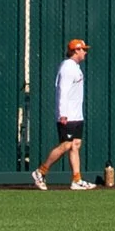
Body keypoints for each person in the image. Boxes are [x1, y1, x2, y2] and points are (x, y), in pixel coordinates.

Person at [34, 38, 94, 190]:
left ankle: (76, 179)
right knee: (66, 145)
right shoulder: (67, 68)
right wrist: (63, 113)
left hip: (77, 115)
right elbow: (63, 91)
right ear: (75, 51)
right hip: (68, 115)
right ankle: (41, 172)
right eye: (83, 49)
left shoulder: (76, 67)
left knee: (76, 144)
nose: (85, 52)